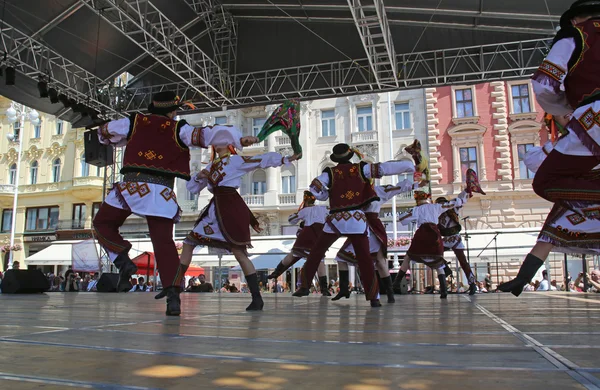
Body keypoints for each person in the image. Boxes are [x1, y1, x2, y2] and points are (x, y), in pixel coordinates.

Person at [92, 91, 257, 316]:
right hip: (159, 193)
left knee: (102, 223)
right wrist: (237, 139)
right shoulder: (180, 129)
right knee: (163, 243)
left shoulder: (134, 122)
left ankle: (123, 261)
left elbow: (105, 133)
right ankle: (173, 297)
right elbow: (209, 134)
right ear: (172, 111)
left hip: (131, 187)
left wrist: (115, 136)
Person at [498, 0, 600, 296]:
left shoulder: (576, 35)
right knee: (559, 216)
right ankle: (521, 279)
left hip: (595, 121)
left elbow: (545, 83)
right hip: (589, 160)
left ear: (577, 18)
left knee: (546, 182)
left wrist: (565, 108)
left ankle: (520, 279)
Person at [161, 143, 300, 310]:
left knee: (239, 253)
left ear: (228, 144)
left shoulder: (235, 161)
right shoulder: (211, 165)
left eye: (221, 139)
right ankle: (174, 289)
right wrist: (200, 176)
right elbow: (193, 187)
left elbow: (260, 160)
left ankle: (257, 298)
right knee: (189, 242)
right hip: (215, 209)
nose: (216, 142)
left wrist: (286, 158)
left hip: (230, 207)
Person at [292, 143, 417, 307]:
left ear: (336, 159)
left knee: (316, 251)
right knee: (365, 259)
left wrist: (325, 194)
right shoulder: (362, 169)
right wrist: (410, 166)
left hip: (336, 219)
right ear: (350, 156)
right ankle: (374, 297)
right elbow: (385, 168)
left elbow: (314, 187)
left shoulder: (330, 172)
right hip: (356, 219)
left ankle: (305, 286)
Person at [334, 181, 417, 303]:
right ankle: (346, 289)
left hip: (370, 228)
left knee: (379, 262)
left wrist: (415, 185)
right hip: (360, 227)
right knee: (343, 258)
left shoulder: (378, 190)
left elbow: (397, 188)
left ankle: (387, 294)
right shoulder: (354, 192)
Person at [393, 188, 470, 299]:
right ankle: (443, 290)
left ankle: (396, 283)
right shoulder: (436, 207)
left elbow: (402, 218)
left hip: (422, 235)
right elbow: (452, 203)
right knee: (438, 261)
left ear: (418, 201)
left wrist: (413, 214)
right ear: (428, 199)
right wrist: (463, 197)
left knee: (408, 257)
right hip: (434, 235)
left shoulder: (416, 209)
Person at [267, 191, 330, 296]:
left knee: (293, 254)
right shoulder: (323, 209)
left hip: (307, 236)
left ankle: (276, 273)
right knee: (320, 261)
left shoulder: (304, 211)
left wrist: (301, 213)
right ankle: (324, 289)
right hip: (319, 236)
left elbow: (291, 220)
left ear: (305, 200)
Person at [435, 196, 477, 295]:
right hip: (445, 239)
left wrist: (466, 194)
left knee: (463, 262)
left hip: (455, 238)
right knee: (435, 254)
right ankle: (446, 271)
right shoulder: (436, 213)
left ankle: (472, 284)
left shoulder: (452, 209)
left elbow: (460, 201)